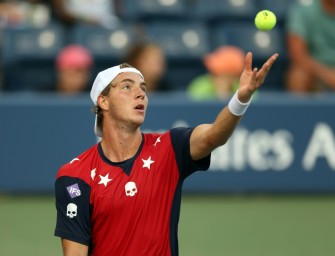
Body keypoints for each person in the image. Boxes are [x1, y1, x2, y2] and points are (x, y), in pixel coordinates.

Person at [54, 52, 278, 255]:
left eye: (143, 87)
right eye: (126, 87)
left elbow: (214, 135)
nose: (140, 94)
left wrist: (241, 98)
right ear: (103, 101)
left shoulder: (170, 147)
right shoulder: (75, 176)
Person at [285, 0, 335, 93]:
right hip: (315, 72)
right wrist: (328, 75)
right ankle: (298, 107)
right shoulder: (303, 12)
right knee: (298, 76)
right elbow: (298, 55)